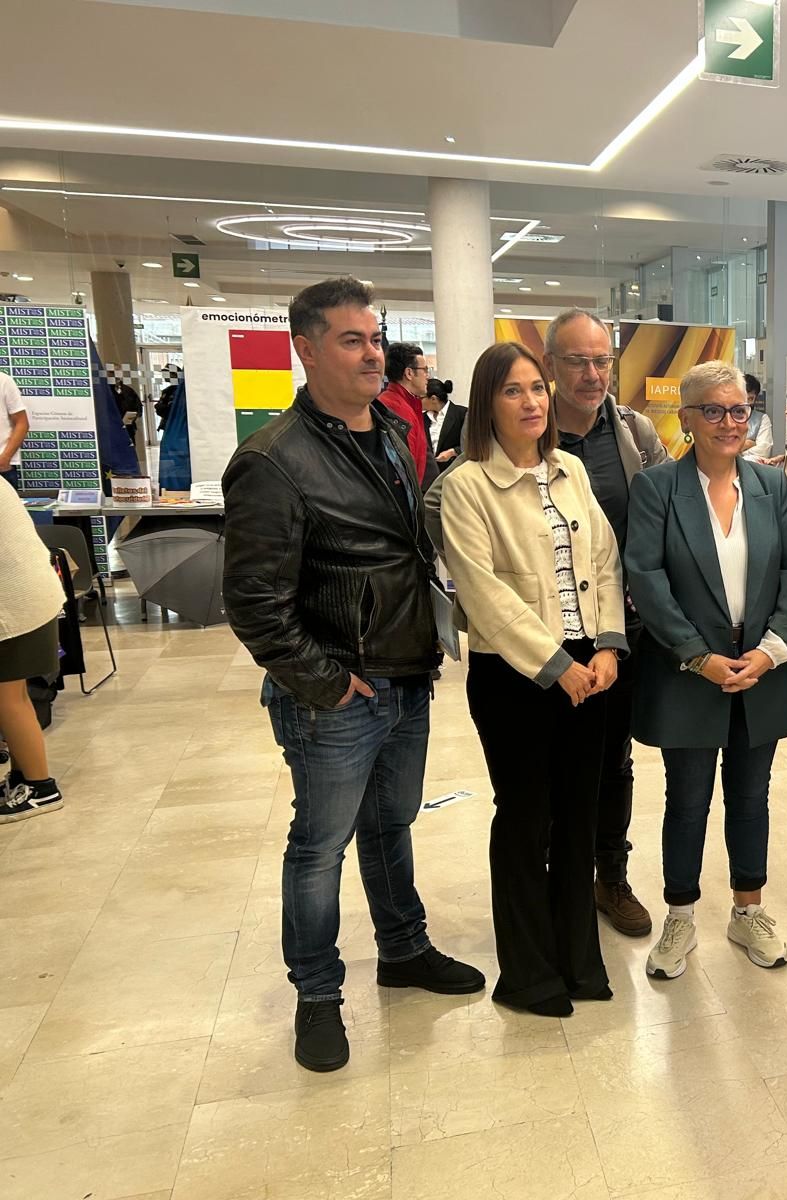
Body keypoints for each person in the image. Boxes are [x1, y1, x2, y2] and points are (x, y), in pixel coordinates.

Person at [222, 277, 484, 1074]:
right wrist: (326, 682)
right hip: (338, 693)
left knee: (391, 824)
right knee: (320, 846)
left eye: (376, 339)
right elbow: (254, 603)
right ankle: (317, 995)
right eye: (351, 340)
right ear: (305, 349)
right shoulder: (272, 461)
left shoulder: (389, 432)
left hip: (406, 673)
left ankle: (404, 948)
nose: (373, 353)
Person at [440, 341, 625, 1015]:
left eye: (537, 390)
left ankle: (578, 958)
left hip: (591, 667)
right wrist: (557, 668)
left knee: (579, 816)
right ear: (487, 403)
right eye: (513, 391)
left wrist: (606, 647)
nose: (531, 403)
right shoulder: (465, 486)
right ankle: (528, 973)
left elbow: (604, 561)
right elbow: (484, 594)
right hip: (516, 676)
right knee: (525, 817)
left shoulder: (570, 470)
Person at [626, 361, 787, 980]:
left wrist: (772, 650)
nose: (730, 422)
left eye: (740, 410)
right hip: (688, 669)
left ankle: (748, 910)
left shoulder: (771, 486)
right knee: (687, 800)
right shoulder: (657, 488)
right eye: (714, 410)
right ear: (686, 419)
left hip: (762, 664)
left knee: (751, 797)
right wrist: (698, 657)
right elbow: (646, 579)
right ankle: (680, 916)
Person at [541, 308, 670, 935]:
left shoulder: (635, 432)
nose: (592, 374)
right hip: (546, 631)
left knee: (615, 760)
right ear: (549, 366)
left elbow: (669, 515)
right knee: (546, 761)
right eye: (577, 361)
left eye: (601, 361)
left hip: (622, 631)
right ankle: (553, 876)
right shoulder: (525, 432)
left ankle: (609, 877)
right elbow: (446, 504)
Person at [0, 476, 63, 823]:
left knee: (8, 699)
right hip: (33, 595)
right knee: (15, 696)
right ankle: (23, 780)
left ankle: (41, 788)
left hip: (14, 604)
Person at [378, 341, 431, 483]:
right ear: (409, 373)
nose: (428, 376)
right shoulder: (395, 408)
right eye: (424, 370)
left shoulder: (409, 403)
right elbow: (403, 467)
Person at [425, 378, 464, 464]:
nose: (417, 400)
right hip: (430, 474)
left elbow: (473, 444)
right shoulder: (422, 418)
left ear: (433, 399)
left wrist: (453, 452)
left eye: (420, 398)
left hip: (454, 470)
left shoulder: (462, 414)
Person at [0, 369, 27, 490]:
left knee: (6, 509)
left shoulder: (3, 381)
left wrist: (5, 458)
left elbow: (22, 423)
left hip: (2, 469)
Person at [739, 373, 773, 461]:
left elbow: (764, 450)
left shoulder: (762, 418)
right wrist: (748, 444)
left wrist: (739, 452)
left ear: (756, 398)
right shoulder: (726, 416)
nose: (746, 402)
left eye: (750, 398)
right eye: (743, 397)